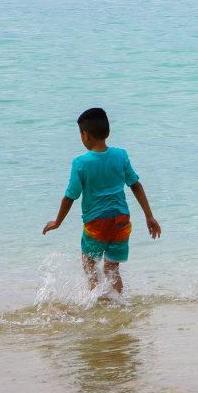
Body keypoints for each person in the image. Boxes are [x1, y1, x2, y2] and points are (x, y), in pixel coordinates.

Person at [40, 107, 162, 300]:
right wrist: (149, 216)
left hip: (96, 223)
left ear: (85, 135)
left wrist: (57, 222)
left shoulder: (80, 163)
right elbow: (136, 185)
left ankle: (94, 301)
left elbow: (69, 197)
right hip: (122, 221)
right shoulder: (120, 155)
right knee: (112, 268)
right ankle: (121, 303)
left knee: (88, 263)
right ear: (108, 132)